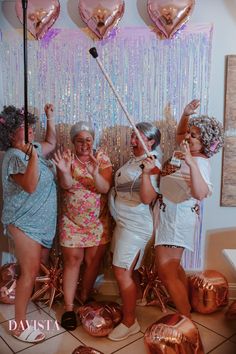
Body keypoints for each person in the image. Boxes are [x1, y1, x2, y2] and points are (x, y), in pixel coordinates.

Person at [142, 99, 224, 318]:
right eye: (190, 132)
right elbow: (180, 135)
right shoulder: (188, 149)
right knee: (174, 268)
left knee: (166, 269)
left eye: (194, 135)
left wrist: (189, 160)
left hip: (177, 219)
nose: (187, 137)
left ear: (205, 142)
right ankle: (186, 307)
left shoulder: (200, 162)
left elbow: (200, 192)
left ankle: (185, 317)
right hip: (170, 216)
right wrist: (186, 114)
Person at [0, 103, 57, 343]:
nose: (31, 131)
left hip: (39, 223)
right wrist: (33, 154)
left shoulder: (31, 147)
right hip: (24, 223)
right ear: (11, 133)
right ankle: (19, 325)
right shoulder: (14, 156)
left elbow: (52, 144)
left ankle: (24, 315)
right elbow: (30, 185)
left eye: (31, 127)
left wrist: (50, 118)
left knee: (33, 271)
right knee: (29, 273)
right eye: (26, 128)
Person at [52, 121, 112, 331]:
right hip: (71, 222)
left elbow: (104, 188)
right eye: (80, 140)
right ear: (73, 141)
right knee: (73, 262)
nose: (85, 144)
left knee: (93, 261)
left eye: (88, 140)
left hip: (97, 222)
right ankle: (69, 309)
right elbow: (65, 185)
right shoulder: (67, 157)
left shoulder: (102, 158)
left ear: (93, 141)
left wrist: (95, 172)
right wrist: (64, 170)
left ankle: (84, 297)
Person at [108, 122, 161, 341]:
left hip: (136, 226)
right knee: (127, 269)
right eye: (131, 136)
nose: (131, 141)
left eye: (137, 137)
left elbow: (148, 198)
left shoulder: (152, 163)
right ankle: (132, 304)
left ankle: (130, 322)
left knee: (122, 272)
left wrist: (148, 174)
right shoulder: (134, 160)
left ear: (150, 142)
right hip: (122, 222)